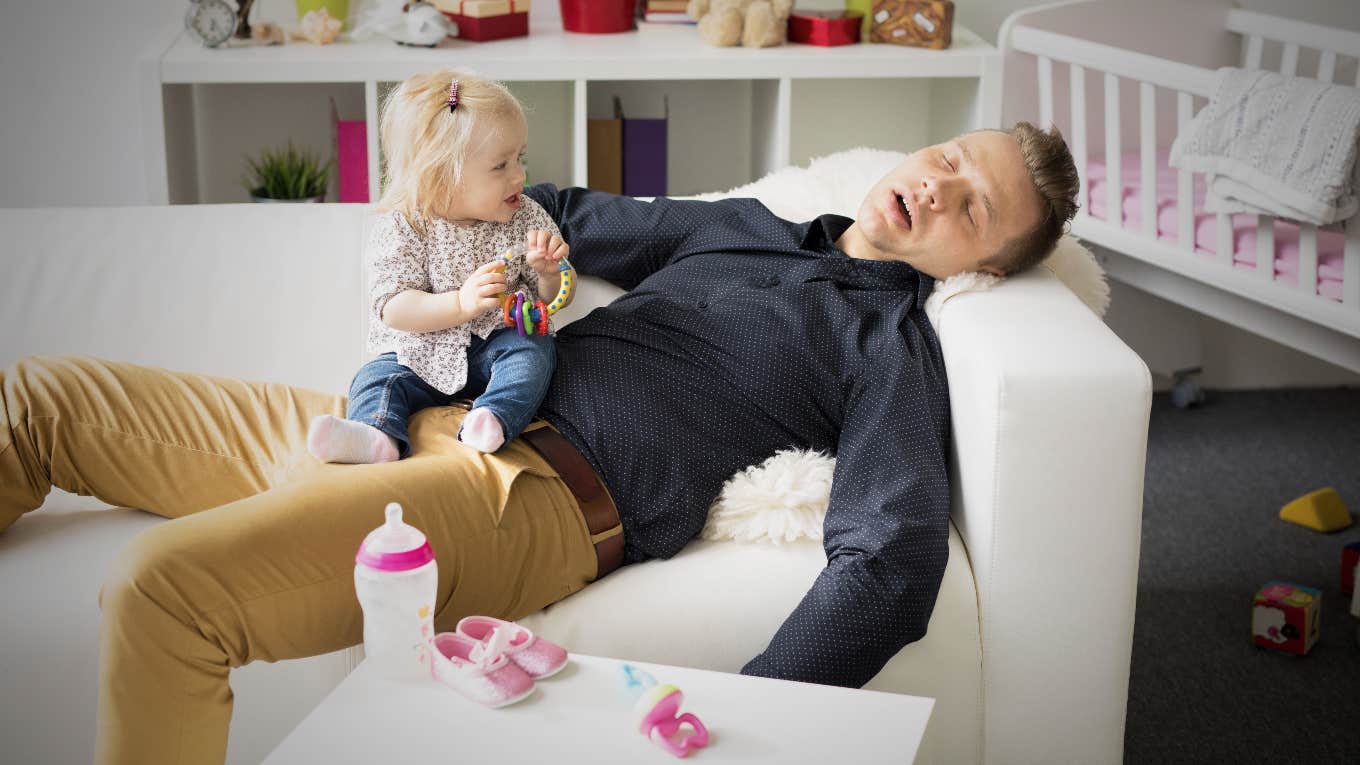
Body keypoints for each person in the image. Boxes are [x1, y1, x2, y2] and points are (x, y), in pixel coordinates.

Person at [0, 117, 1078, 764]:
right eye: (947, 158)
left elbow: (889, 562)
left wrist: (745, 712)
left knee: (162, 590)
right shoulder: (739, 222)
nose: (937, 185)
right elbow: (555, 210)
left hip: (525, 493)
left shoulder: (888, 342)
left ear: (975, 265)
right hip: (395, 418)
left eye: (971, 206)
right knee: (42, 400)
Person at [308, 71, 574, 464]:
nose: (520, 175)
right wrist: (461, 304)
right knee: (376, 377)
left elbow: (552, 301)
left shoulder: (525, 215)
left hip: (499, 343)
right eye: (500, 165)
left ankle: (494, 417)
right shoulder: (405, 225)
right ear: (440, 177)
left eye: (521, 158)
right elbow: (393, 307)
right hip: (419, 352)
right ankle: (375, 435)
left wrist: (550, 274)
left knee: (535, 353)